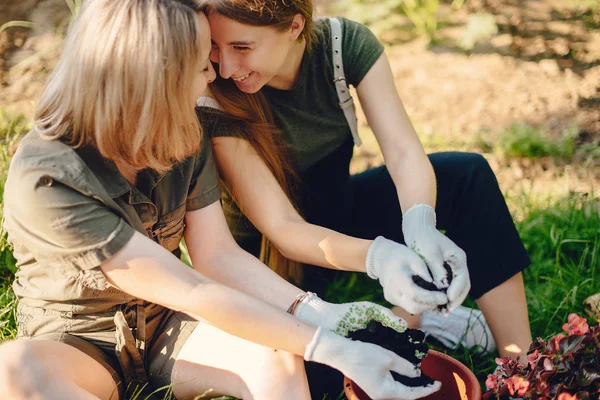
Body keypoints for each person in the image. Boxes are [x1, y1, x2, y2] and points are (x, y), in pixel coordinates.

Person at [0, 1, 442, 399]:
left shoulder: (184, 134)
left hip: (166, 329)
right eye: (201, 65)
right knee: (16, 370)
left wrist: (320, 315)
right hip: (79, 340)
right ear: (154, 78)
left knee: (276, 351)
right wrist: (326, 343)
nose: (215, 75)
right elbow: (191, 287)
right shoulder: (49, 176)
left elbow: (218, 258)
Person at [198, 0, 533, 378]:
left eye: (241, 48)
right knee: (321, 376)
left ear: (293, 27)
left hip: (336, 214)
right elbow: (284, 229)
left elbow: (404, 152)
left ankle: (522, 368)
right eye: (215, 46)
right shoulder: (215, 91)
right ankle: (406, 317)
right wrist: (381, 258)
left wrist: (419, 225)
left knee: (468, 175)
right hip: (267, 264)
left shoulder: (341, 46)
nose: (224, 67)